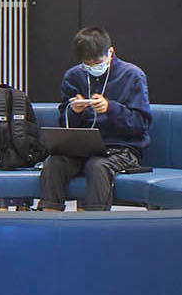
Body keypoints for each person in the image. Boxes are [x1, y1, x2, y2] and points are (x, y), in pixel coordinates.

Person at [43, 27, 151, 212]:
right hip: (80, 148)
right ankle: (50, 219)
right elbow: (64, 123)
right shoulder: (74, 76)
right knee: (54, 163)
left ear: (110, 52)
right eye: (87, 64)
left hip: (120, 148)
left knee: (97, 166)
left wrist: (111, 108)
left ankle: (95, 223)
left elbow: (141, 124)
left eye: (97, 61)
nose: (93, 67)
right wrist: (74, 112)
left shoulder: (132, 75)